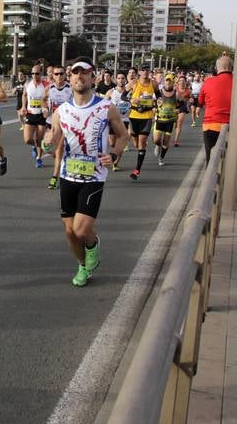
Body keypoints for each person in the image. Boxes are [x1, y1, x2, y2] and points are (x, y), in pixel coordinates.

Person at [50, 60, 129, 287]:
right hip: (68, 175)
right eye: (75, 73)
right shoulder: (61, 111)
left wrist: (113, 154)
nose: (80, 77)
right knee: (69, 231)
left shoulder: (106, 107)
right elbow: (53, 140)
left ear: (92, 78)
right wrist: (46, 143)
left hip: (94, 176)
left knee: (81, 228)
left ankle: (93, 245)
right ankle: (82, 266)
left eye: (85, 73)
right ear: (69, 78)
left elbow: (124, 136)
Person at [125, 65, 157, 181]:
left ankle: (137, 170)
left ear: (149, 71)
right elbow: (123, 96)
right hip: (134, 115)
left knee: (142, 142)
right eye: (143, 70)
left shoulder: (154, 84)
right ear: (139, 72)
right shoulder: (133, 83)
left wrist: (155, 104)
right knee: (136, 143)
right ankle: (139, 145)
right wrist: (132, 100)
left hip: (147, 116)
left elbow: (159, 98)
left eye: (147, 70)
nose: (145, 72)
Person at [199, 54, 234, 157]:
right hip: (231, 126)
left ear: (216, 68)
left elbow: (201, 101)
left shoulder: (208, 82)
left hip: (211, 124)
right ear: (232, 67)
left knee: (210, 160)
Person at [20, 62, 48, 168]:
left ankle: (39, 158)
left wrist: (47, 109)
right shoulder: (27, 84)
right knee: (27, 139)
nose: (34, 75)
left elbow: (50, 98)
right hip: (31, 114)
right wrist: (23, 106)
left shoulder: (46, 85)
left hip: (41, 115)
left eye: (37, 73)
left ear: (41, 73)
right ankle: (34, 147)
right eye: (32, 73)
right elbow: (24, 95)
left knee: (40, 139)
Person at [152, 80, 178, 166]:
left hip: (170, 120)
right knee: (156, 140)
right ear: (164, 83)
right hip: (160, 119)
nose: (168, 84)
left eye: (170, 82)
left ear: (173, 83)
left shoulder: (176, 94)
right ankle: (157, 145)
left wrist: (179, 109)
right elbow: (152, 102)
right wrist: (154, 107)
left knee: (166, 142)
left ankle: (161, 158)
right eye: (166, 82)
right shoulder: (158, 92)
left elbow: (183, 105)